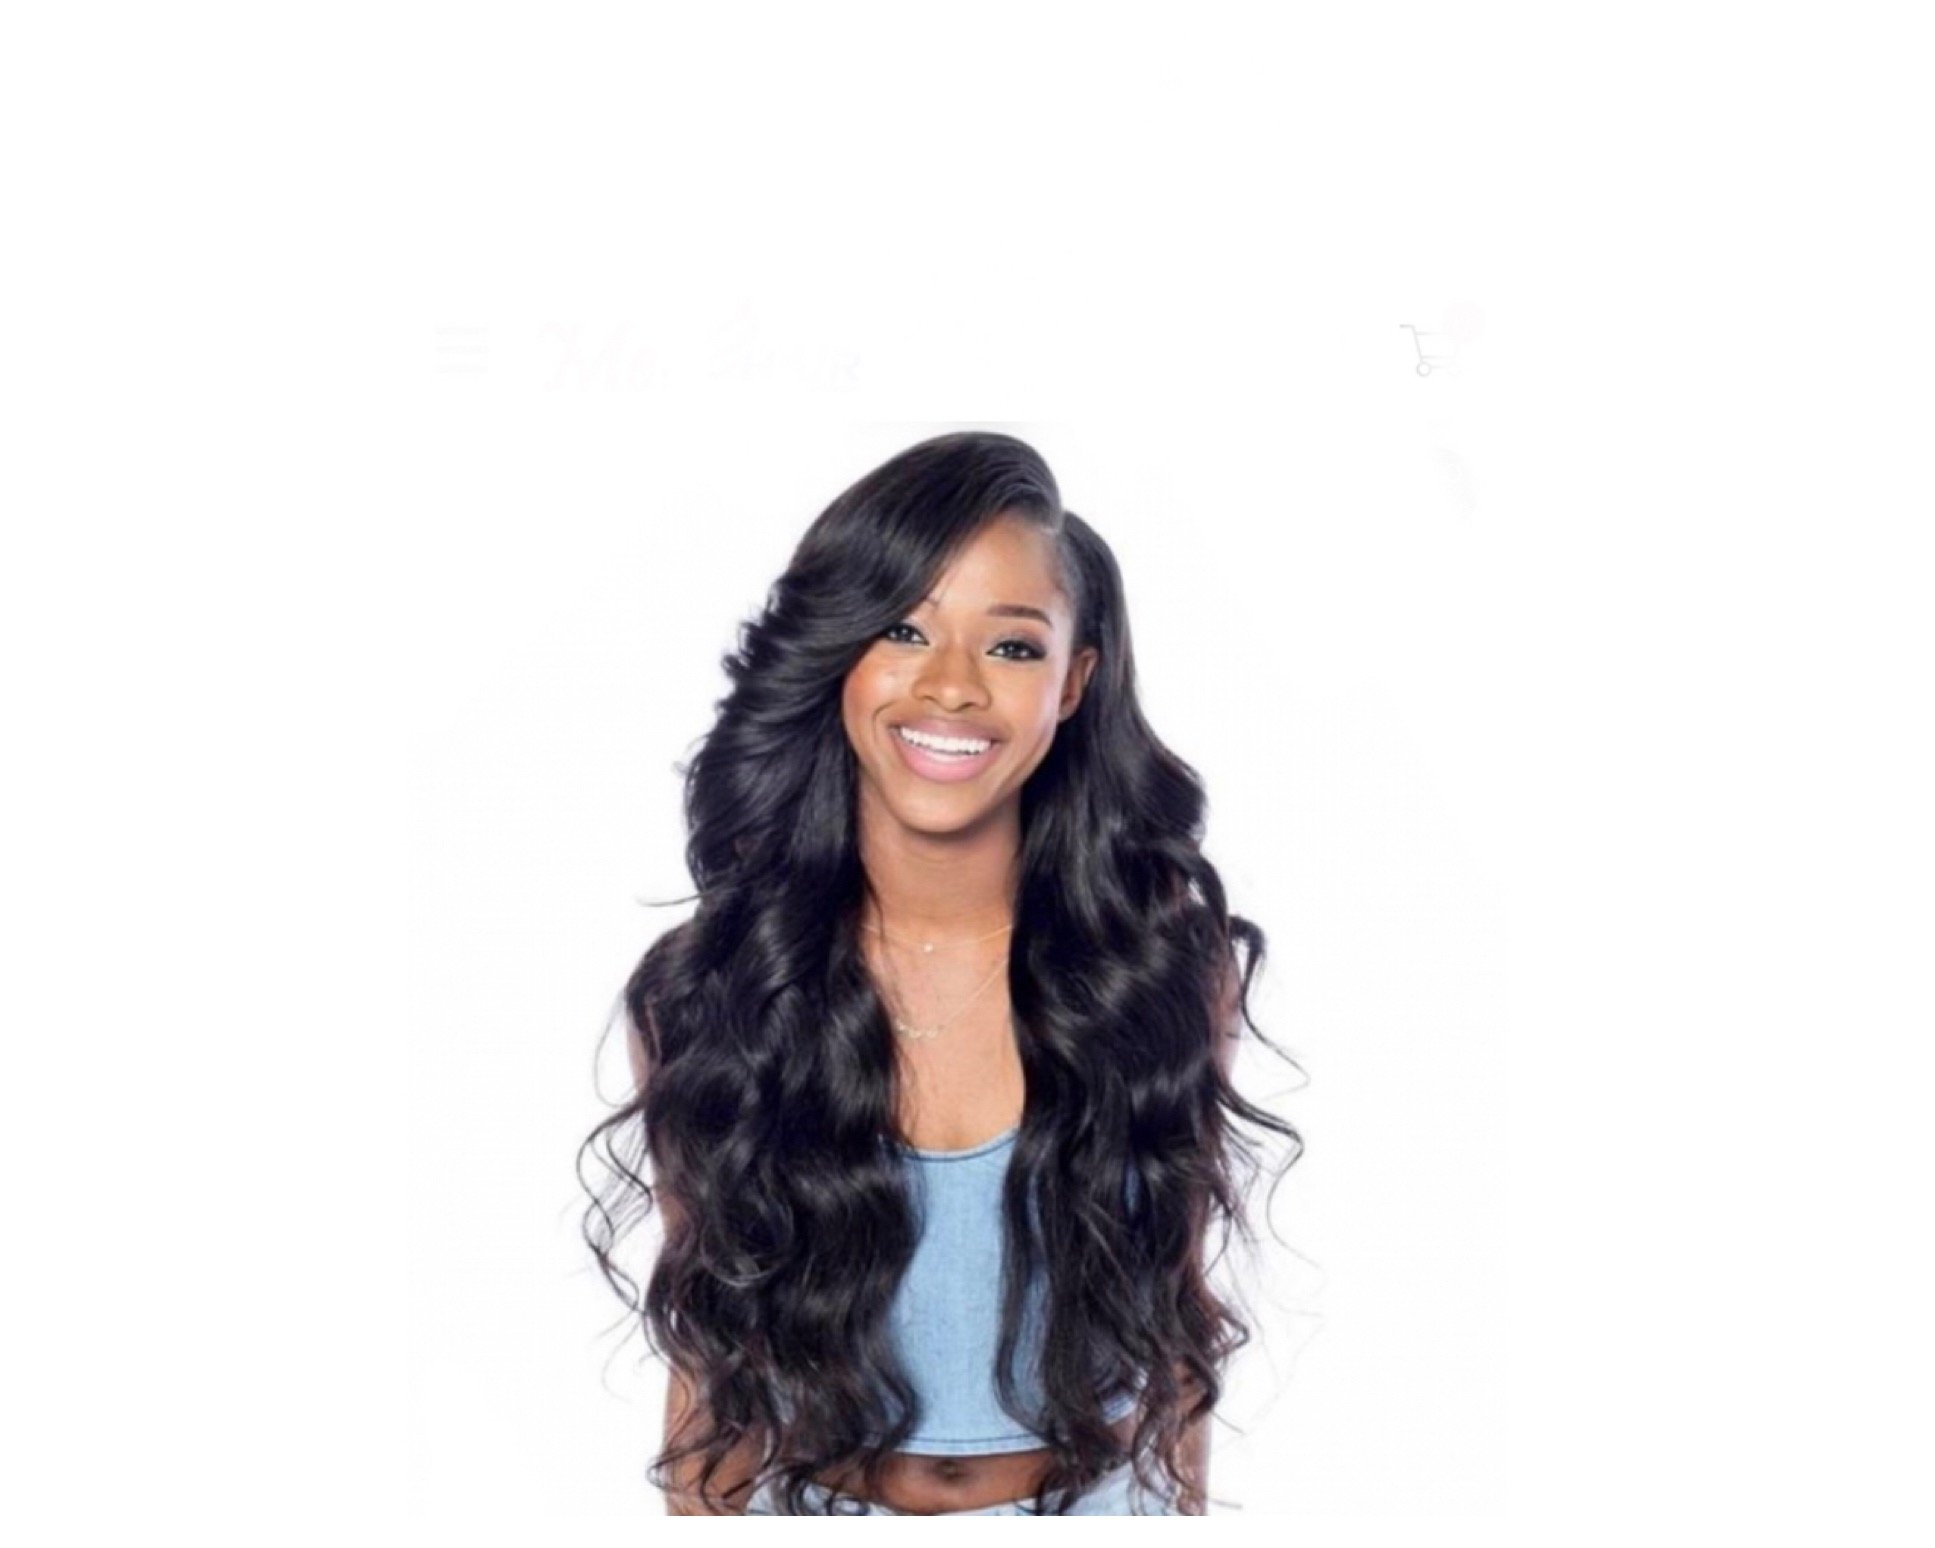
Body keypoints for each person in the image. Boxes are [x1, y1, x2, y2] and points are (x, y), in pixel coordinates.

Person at [579, 430, 1301, 1514]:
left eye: (1011, 646)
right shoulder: (713, 986)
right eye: (904, 630)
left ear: (1073, 683)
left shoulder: (1161, 970)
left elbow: (1175, 1324)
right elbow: (708, 1355)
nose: (953, 687)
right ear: (838, 654)